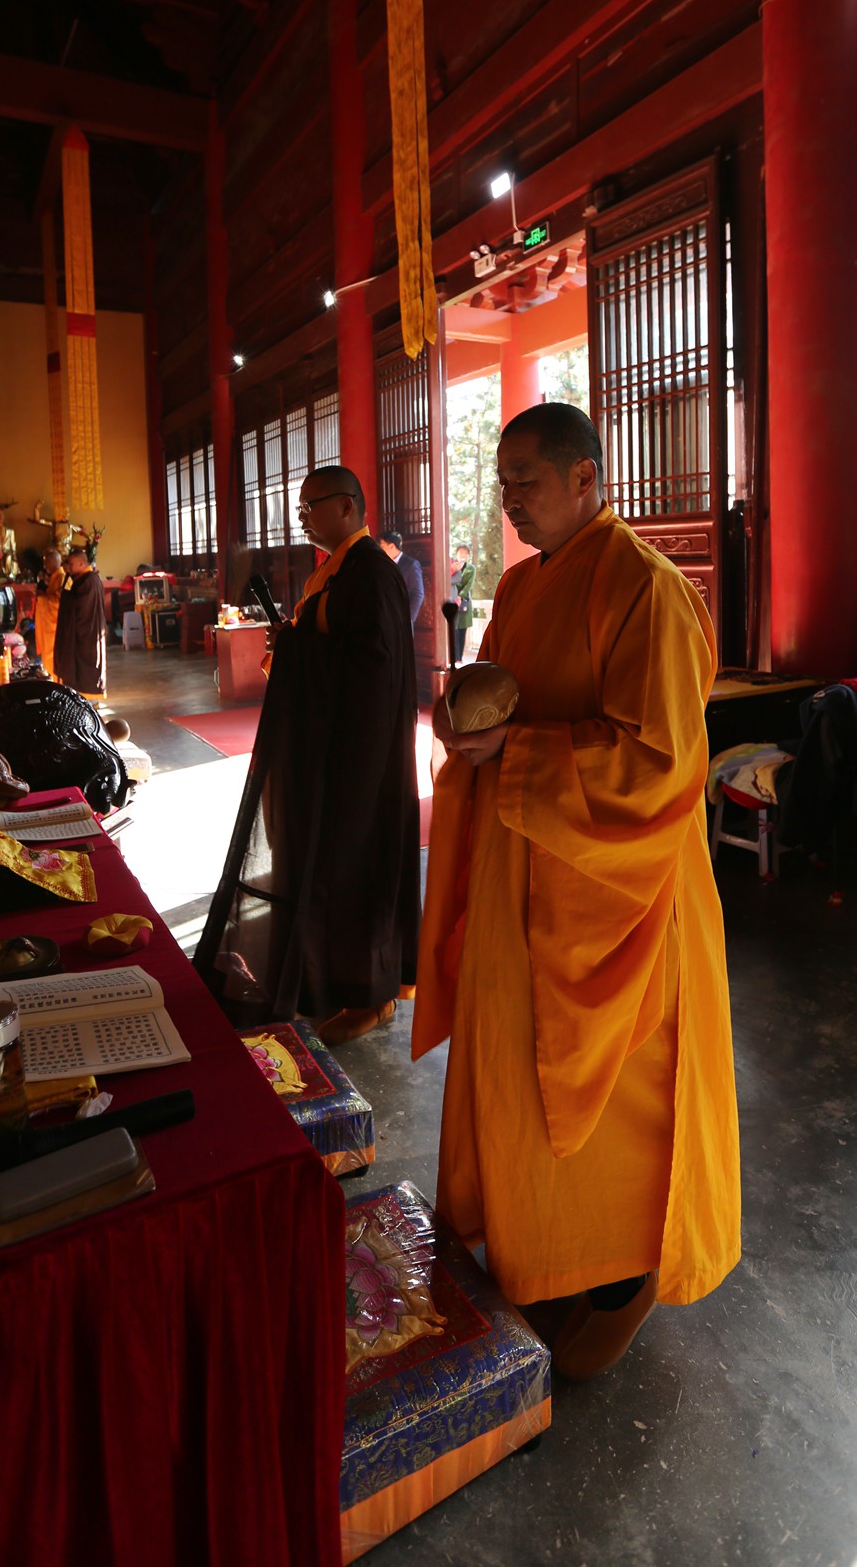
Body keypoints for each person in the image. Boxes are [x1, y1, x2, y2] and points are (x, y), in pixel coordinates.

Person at [414, 403, 740, 1381]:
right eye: (503, 482)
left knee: (611, 1100)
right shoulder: (518, 586)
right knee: (521, 1075)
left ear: (586, 479)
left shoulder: (644, 588)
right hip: (523, 878)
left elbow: (660, 762)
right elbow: (509, 695)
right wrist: (469, 724)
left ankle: (620, 1278)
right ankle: (541, 1262)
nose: (509, 497)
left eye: (526, 479)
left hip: (618, 894)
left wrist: (510, 751)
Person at [195, 465, 420, 1045]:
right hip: (327, 751)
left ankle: (373, 997)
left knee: (353, 874)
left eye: (309, 506)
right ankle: (332, 987)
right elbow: (325, 648)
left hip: (359, 760)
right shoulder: (338, 572)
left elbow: (371, 671)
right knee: (321, 872)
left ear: (347, 506)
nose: (301, 518)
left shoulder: (371, 573)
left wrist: (298, 649)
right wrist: (295, 647)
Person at [53, 547, 107, 700]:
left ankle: (87, 698)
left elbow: (78, 604)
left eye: (71, 564)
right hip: (87, 630)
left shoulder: (88, 581)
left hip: (86, 633)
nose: (68, 568)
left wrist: (64, 596)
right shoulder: (86, 579)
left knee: (84, 667)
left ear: (82, 563)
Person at [379, 530, 425, 627]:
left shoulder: (411, 564)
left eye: (383, 546)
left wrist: (408, 618)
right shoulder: (383, 563)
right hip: (385, 617)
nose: (381, 550)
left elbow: (418, 593)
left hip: (402, 619)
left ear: (391, 546)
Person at [33, 545, 65, 677]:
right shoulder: (54, 577)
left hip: (55, 627)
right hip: (49, 627)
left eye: (47, 563)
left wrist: (42, 599)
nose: (45, 566)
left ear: (53, 562)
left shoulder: (62, 577)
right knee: (48, 659)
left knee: (54, 658)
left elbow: (60, 602)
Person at [450, 544, 475, 660]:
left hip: (464, 602)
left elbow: (469, 585)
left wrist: (460, 596)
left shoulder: (471, 568)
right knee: (454, 630)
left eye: (465, 554)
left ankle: (460, 657)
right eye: (460, 553)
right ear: (456, 555)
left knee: (462, 630)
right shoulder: (452, 566)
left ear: (468, 556)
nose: (463, 556)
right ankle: (455, 657)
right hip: (453, 601)